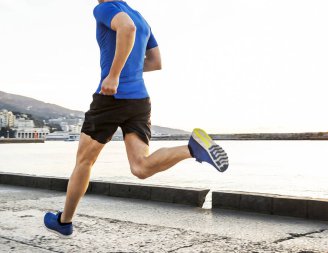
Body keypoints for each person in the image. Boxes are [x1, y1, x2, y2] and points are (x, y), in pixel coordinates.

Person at [44, 0, 229, 237]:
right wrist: (128, 69)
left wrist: (114, 75)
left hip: (111, 98)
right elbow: (155, 62)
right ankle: (193, 149)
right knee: (141, 167)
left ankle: (64, 222)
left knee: (84, 162)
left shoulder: (105, 8)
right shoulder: (141, 17)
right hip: (140, 101)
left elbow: (126, 28)